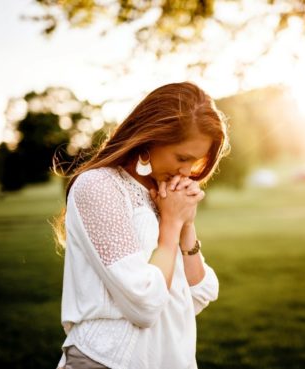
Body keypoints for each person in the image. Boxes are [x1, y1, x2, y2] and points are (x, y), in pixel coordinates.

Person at [54, 81, 229, 369]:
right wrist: (171, 225)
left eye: (195, 161)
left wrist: (186, 223)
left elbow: (199, 293)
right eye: (182, 157)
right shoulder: (99, 187)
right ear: (150, 139)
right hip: (106, 361)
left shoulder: (163, 193)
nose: (187, 172)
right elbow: (145, 303)